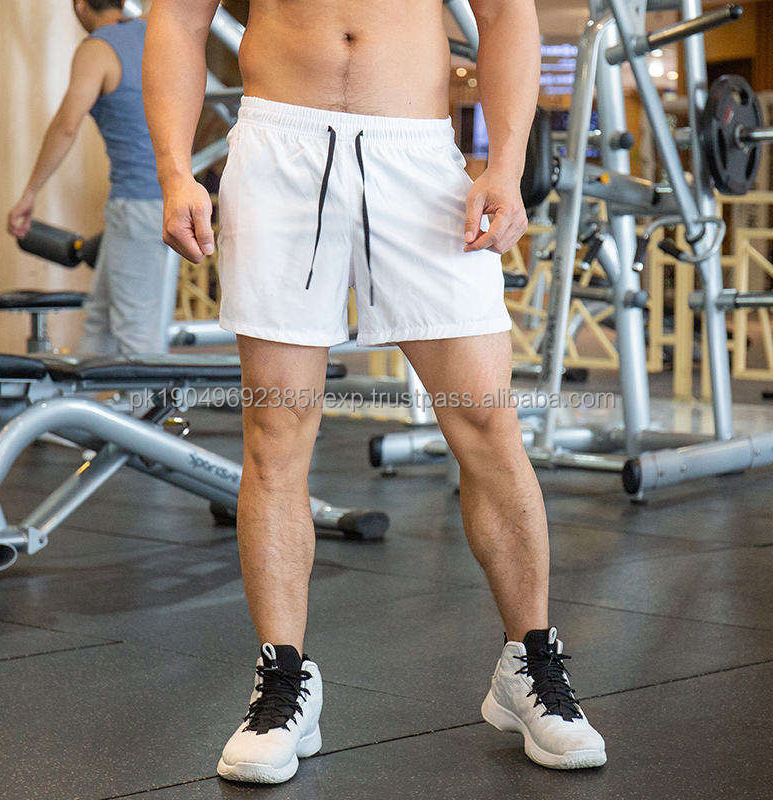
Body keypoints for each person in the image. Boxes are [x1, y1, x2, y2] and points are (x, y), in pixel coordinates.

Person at [143, 0, 606, 784]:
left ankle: (530, 665)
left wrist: (505, 164)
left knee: (487, 424)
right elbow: (180, 20)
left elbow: (506, 15)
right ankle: (283, 684)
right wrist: (174, 169)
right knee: (276, 434)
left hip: (416, 154)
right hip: (279, 148)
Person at [7, 0, 176, 355]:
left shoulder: (98, 49)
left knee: (137, 337)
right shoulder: (152, 34)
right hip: (158, 202)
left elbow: (66, 126)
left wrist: (30, 193)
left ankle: (147, 396)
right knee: (100, 321)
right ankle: (82, 394)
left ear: (81, 6)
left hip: (138, 205)